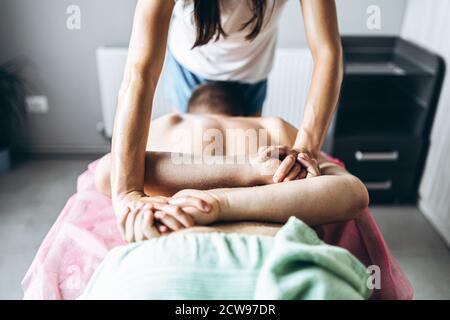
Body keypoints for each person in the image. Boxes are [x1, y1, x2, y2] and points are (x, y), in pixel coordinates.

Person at [111, 0, 344, 227]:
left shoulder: (271, 128)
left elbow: (327, 54)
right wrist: (127, 191)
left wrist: (305, 149)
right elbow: (138, 74)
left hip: (252, 73)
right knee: (186, 145)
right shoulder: (274, 127)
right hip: (189, 68)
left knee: (246, 154)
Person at [97, 83, 368, 242]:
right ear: (248, 114)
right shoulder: (273, 126)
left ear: (187, 110)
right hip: (268, 240)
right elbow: (349, 191)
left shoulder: (170, 123)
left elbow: (109, 171)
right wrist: (258, 168)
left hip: (176, 236)